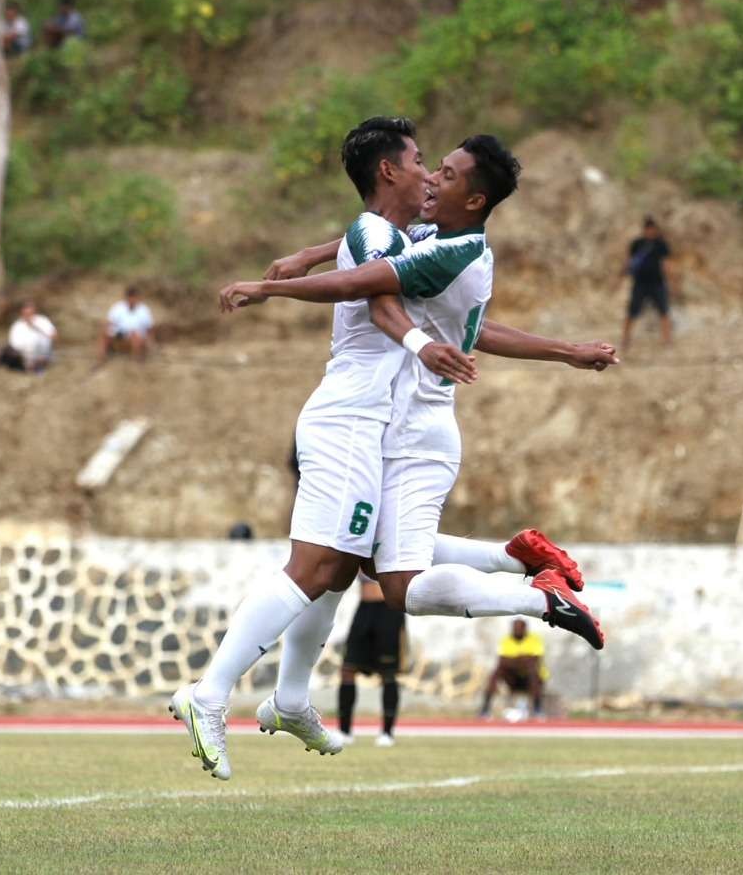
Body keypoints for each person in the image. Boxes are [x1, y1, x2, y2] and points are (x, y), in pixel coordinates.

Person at [173, 120, 613, 781]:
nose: (429, 172)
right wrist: (284, 280)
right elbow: (373, 292)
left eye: (444, 170)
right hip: (355, 420)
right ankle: (210, 694)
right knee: (323, 567)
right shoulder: (396, 237)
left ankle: (291, 698)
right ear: (390, 172)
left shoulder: (423, 240)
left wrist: (303, 259)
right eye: (419, 161)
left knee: (354, 562)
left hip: (383, 425)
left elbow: (392, 274)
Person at [334, 574, 406, 747]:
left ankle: (387, 733)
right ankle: (345, 731)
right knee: (347, 669)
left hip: (389, 609)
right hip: (364, 609)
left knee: (388, 673)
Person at [620, 216, 671, 352]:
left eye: (652, 229)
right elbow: (628, 261)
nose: (650, 231)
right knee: (632, 312)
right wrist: (622, 275)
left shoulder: (661, 245)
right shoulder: (637, 244)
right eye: (648, 229)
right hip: (640, 283)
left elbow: (666, 264)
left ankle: (666, 341)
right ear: (645, 229)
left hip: (657, 283)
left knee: (664, 311)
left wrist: (671, 282)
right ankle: (625, 339)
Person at [480, 618, 547, 720]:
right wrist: (523, 658)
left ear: (525, 629)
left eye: (519, 628)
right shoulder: (506, 640)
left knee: (532, 670)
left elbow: (535, 660)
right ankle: (485, 710)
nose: (517, 630)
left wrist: (514, 659)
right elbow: (502, 661)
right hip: (513, 678)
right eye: (515, 628)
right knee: (497, 671)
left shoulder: (535, 639)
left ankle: (538, 710)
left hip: (532, 679)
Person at [0, 300, 57, 372]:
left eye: (30, 313)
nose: (28, 316)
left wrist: (36, 327)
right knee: (4, 351)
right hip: (21, 354)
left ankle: (32, 366)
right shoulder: (17, 325)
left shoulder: (42, 321)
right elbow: (13, 343)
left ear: (34, 311)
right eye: (26, 313)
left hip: (41, 353)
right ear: (22, 313)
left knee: (39, 359)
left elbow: (53, 336)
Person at [98, 287, 155, 363]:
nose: (132, 300)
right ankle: (101, 358)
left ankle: (136, 360)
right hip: (120, 332)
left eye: (134, 297)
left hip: (137, 334)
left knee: (135, 336)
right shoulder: (118, 307)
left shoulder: (144, 310)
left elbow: (149, 328)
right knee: (105, 335)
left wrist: (150, 342)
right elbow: (110, 322)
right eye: (130, 297)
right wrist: (106, 329)